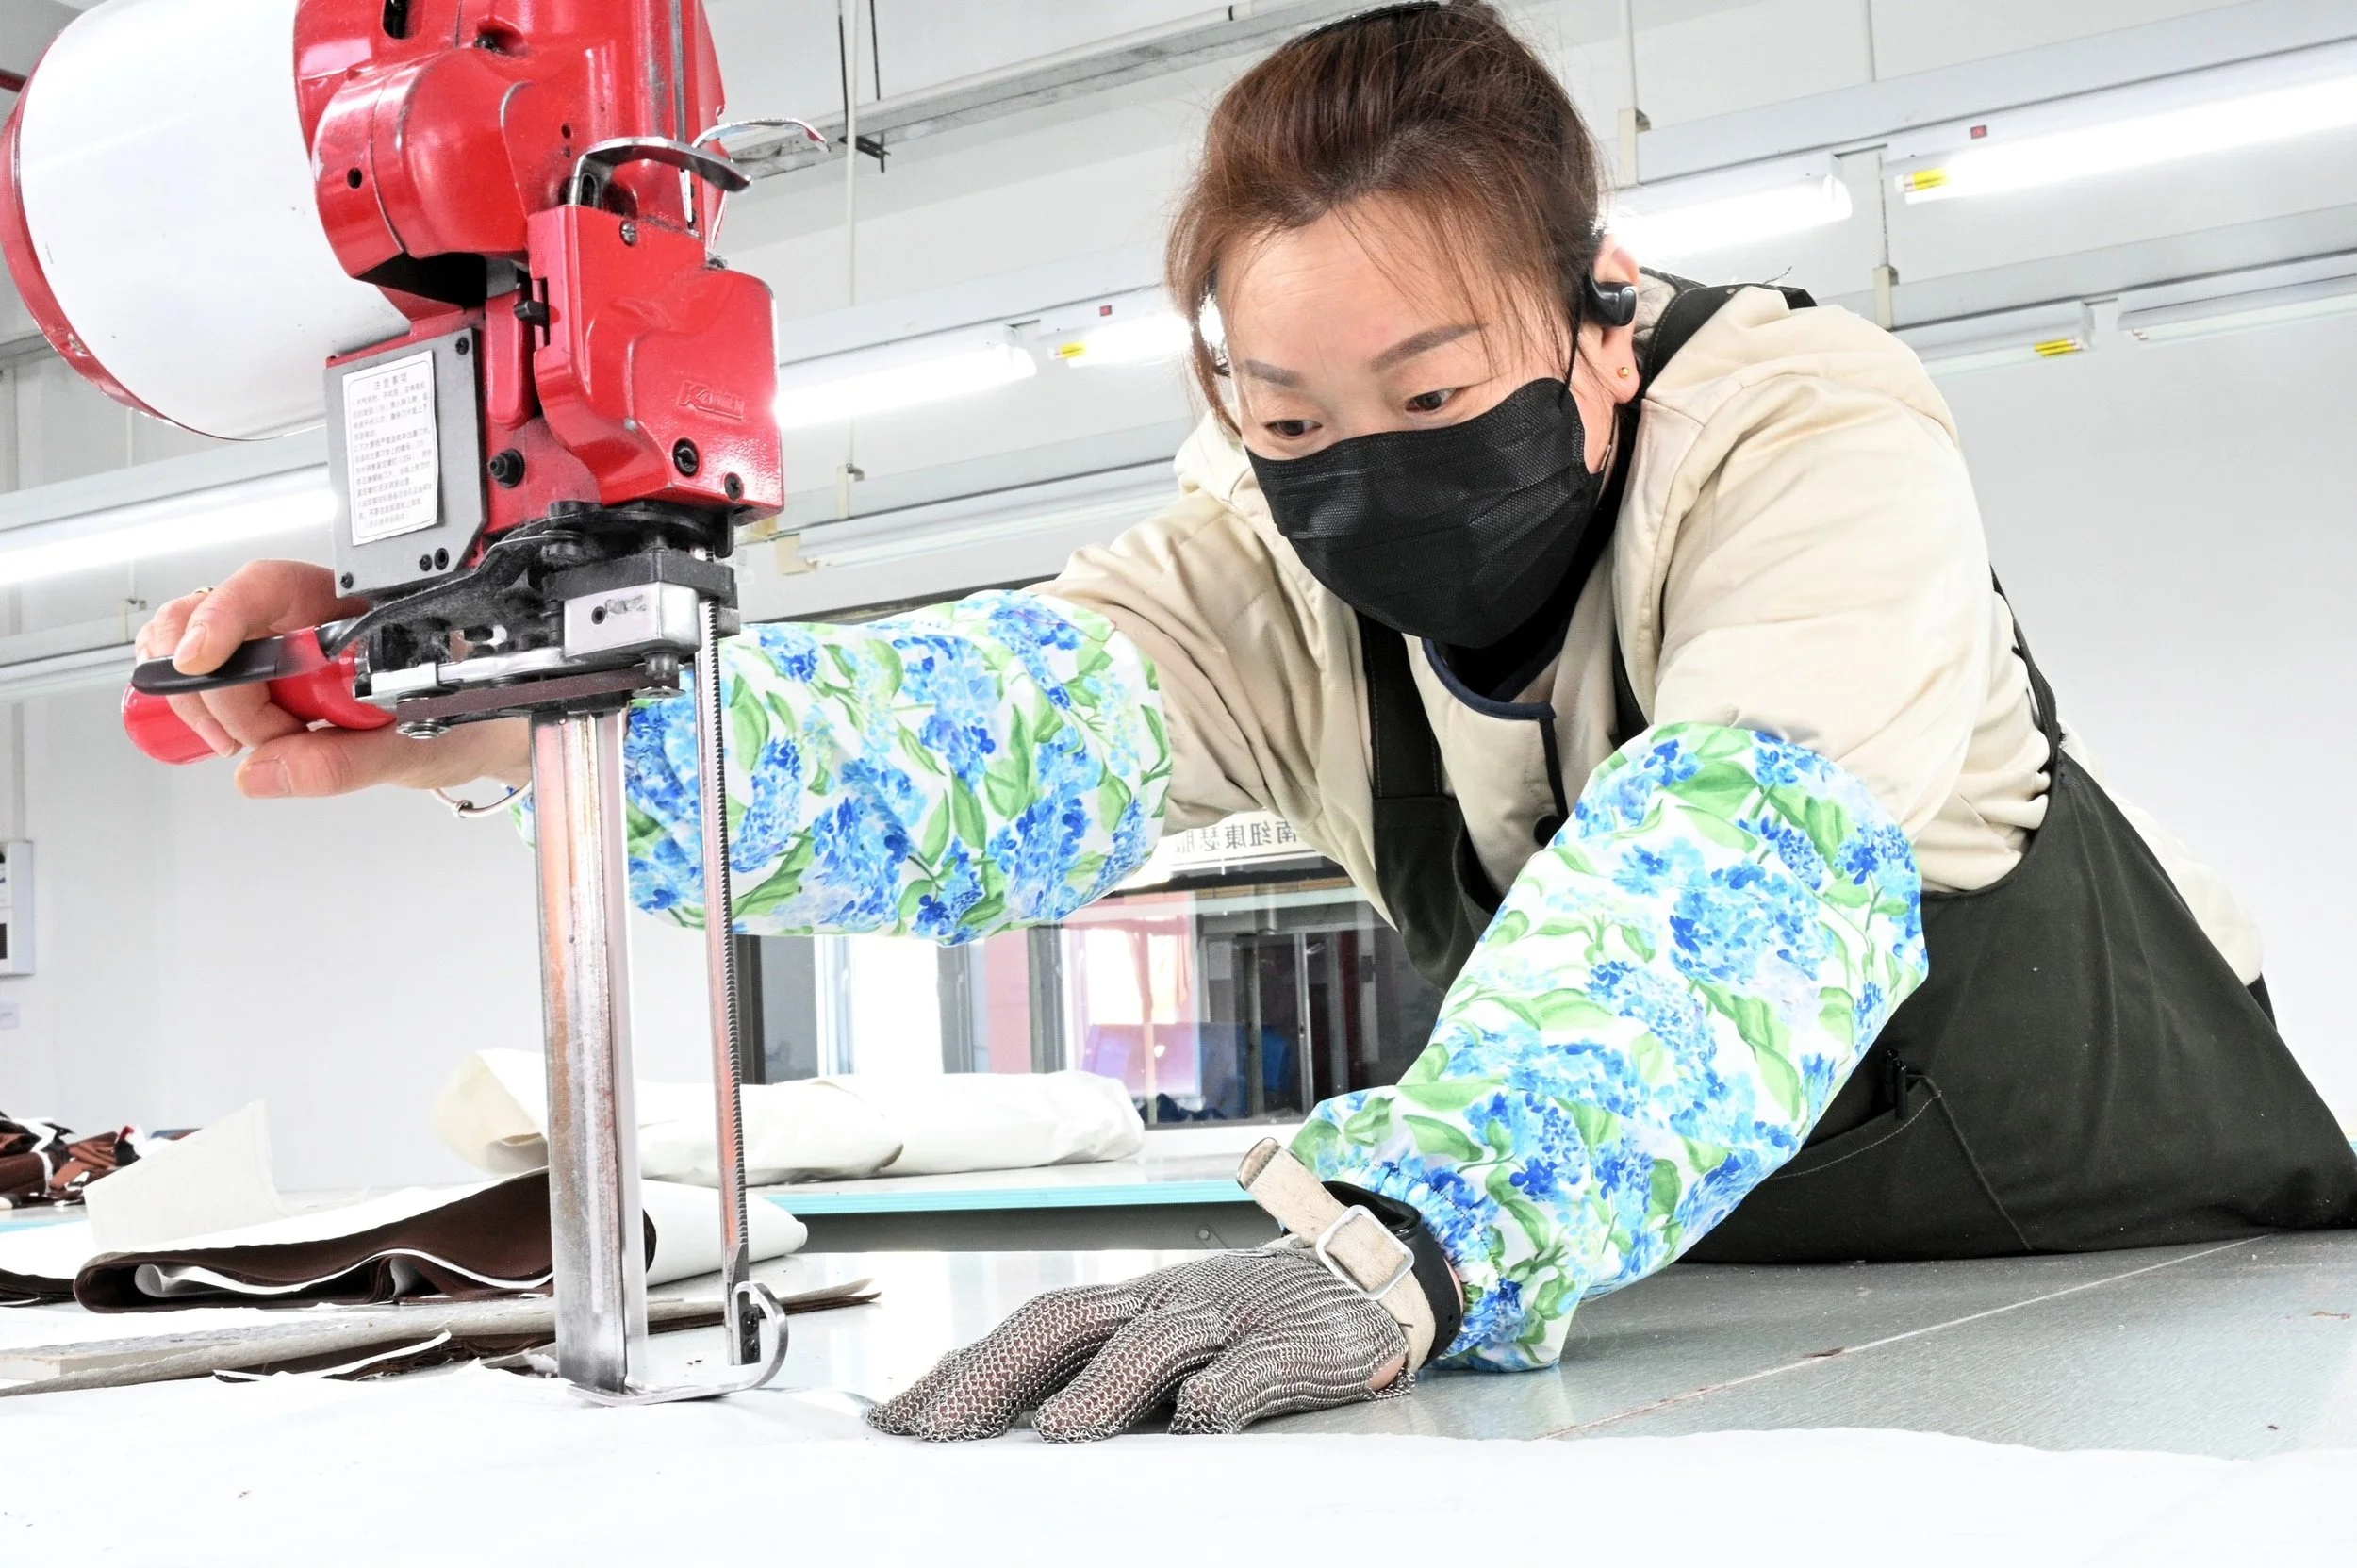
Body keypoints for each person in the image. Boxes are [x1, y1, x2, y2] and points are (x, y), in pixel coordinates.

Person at [140, 0, 2356, 1441]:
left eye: (1430, 396)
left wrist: (1403, 1223)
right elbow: (971, 726)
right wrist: (498, 704)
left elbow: (1739, 858)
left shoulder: (1798, 435)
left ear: (1597, 330)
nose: (1357, 466)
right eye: (1289, 413)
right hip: (1693, 1298)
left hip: (2144, 1289)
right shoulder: (1264, 546)